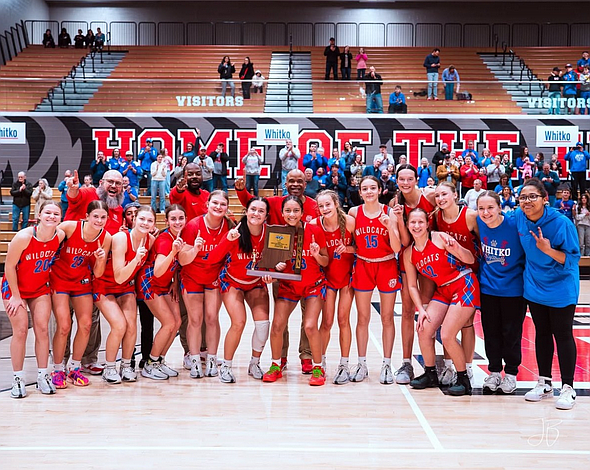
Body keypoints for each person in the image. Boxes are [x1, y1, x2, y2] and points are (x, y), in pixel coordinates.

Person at [516, 179, 580, 410]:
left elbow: (573, 259)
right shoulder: (520, 218)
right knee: (542, 333)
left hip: (561, 286)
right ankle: (544, 383)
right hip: (534, 285)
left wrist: (548, 250)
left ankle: (568, 388)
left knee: (562, 334)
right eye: (523, 197)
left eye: (533, 196)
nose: (527, 201)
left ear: (545, 199)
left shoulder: (561, 223)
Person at [406, 208, 479, 396]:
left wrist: (457, 249)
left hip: (464, 284)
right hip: (443, 290)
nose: (416, 226)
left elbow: (470, 259)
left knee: (447, 335)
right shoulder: (409, 253)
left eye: (420, 222)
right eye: (412, 222)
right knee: (423, 329)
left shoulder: (439, 238)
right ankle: (430, 373)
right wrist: (420, 310)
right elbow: (412, 286)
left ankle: (463, 378)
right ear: (407, 225)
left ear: (427, 223)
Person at [262, 196, 329, 386]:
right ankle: (276, 365)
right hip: (289, 286)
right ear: (282, 213)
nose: (292, 215)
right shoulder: (278, 234)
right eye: (288, 211)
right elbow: (273, 267)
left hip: (313, 285)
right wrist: (274, 270)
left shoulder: (315, 230)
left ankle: (318, 367)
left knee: (309, 326)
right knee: (277, 325)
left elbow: (326, 261)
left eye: (296, 211)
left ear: (302, 212)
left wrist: (317, 255)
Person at [2, 201, 64, 398]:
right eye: (48, 212)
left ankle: (42, 375)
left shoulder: (60, 236)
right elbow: (9, 267)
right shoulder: (24, 237)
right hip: (15, 288)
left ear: (60, 218)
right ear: (39, 214)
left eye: (56, 213)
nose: (52, 216)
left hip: (39, 287)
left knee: (43, 329)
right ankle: (18, 379)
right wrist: (16, 297)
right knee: (20, 331)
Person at [49, 201, 110, 389]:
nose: (99, 220)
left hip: (81, 281)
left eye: (103, 217)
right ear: (87, 216)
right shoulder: (69, 227)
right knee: (64, 325)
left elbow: (98, 273)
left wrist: (100, 260)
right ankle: (58, 368)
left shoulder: (105, 237)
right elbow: (47, 246)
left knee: (86, 325)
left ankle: (75, 368)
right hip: (59, 279)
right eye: (96, 216)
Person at [93, 205, 155, 384]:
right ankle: (110, 367)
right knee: (119, 325)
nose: (145, 223)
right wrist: (136, 259)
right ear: (134, 219)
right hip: (104, 285)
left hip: (126, 287)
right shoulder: (121, 238)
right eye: (142, 219)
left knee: (131, 326)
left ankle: (127, 365)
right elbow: (119, 276)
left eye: (149, 220)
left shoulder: (150, 240)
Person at [349, 176, 401, 384]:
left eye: (373, 188)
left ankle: (387, 363)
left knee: (387, 318)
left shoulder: (389, 213)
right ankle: (362, 363)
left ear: (380, 190)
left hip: (386, 264)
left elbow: (397, 248)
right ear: (360, 192)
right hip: (363, 264)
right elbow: (351, 243)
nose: (369, 191)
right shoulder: (354, 213)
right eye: (365, 189)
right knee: (363, 318)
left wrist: (390, 227)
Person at [476, 191, 526, 394]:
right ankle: (494, 371)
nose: (486, 213)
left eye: (490, 208)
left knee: (511, 333)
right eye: (481, 208)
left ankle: (511, 373)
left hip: (514, 289)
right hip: (488, 288)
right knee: (491, 332)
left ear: (499, 207)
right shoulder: (478, 224)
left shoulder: (515, 225)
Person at [216, 198, 271, 382]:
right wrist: (225, 241)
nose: (256, 213)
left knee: (263, 326)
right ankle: (226, 366)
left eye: (261, 211)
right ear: (246, 211)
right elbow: (213, 257)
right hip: (232, 281)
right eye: (253, 209)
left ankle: (254, 363)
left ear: (266, 216)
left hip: (256, 282)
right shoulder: (235, 233)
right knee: (239, 322)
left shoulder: (270, 233)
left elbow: (276, 262)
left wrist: (270, 271)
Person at [178, 191, 232, 379]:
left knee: (211, 317)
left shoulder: (229, 226)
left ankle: (211, 359)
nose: (218, 207)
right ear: (207, 204)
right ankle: (194, 361)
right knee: (195, 319)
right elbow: (182, 260)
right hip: (192, 275)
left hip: (214, 277)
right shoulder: (193, 226)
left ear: (227, 207)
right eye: (215, 203)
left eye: (222, 204)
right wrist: (195, 249)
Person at [433, 182, 481, 386]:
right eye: (437, 196)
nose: (441, 198)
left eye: (444, 194)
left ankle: (468, 367)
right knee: (448, 325)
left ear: (455, 194)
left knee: (467, 324)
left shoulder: (470, 215)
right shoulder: (436, 217)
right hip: (448, 276)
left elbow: (483, 241)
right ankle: (449, 365)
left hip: (471, 273)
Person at [394, 164, 437, 384]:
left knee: (430, 308)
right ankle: (406, 362)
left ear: (416, 179)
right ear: (397, 180)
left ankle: (440, 365)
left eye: (409, 179)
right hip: (408, 257)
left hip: (430, 257)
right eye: (401, 179)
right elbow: (403, 240)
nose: (405, 183)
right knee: (408, 310)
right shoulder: (396, 204)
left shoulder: (430, 196)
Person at [136, 205, 186, 380]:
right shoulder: (165, 240)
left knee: (177, 321)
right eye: (173, 219)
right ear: (167, 221)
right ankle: (150, 363)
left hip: (165, 284)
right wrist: (173, 252)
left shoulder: (181, 237)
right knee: (168, 323)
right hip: (149, 282)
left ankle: (159, 361)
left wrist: (175, 281)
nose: (177, 222)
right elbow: (158, 270)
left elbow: (177, 266)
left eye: (181, 218)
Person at [311, 191, 356, 384]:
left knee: (343, 320)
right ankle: (319, 364)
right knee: (327, 322)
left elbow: (362, 249)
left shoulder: (350, 222)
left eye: (328, 204)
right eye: (321, 206)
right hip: (327, 277)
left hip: (347, 277)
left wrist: (348, 249)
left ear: (336, 203)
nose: (325, 209)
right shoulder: (314, 225)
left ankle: (344, 364)